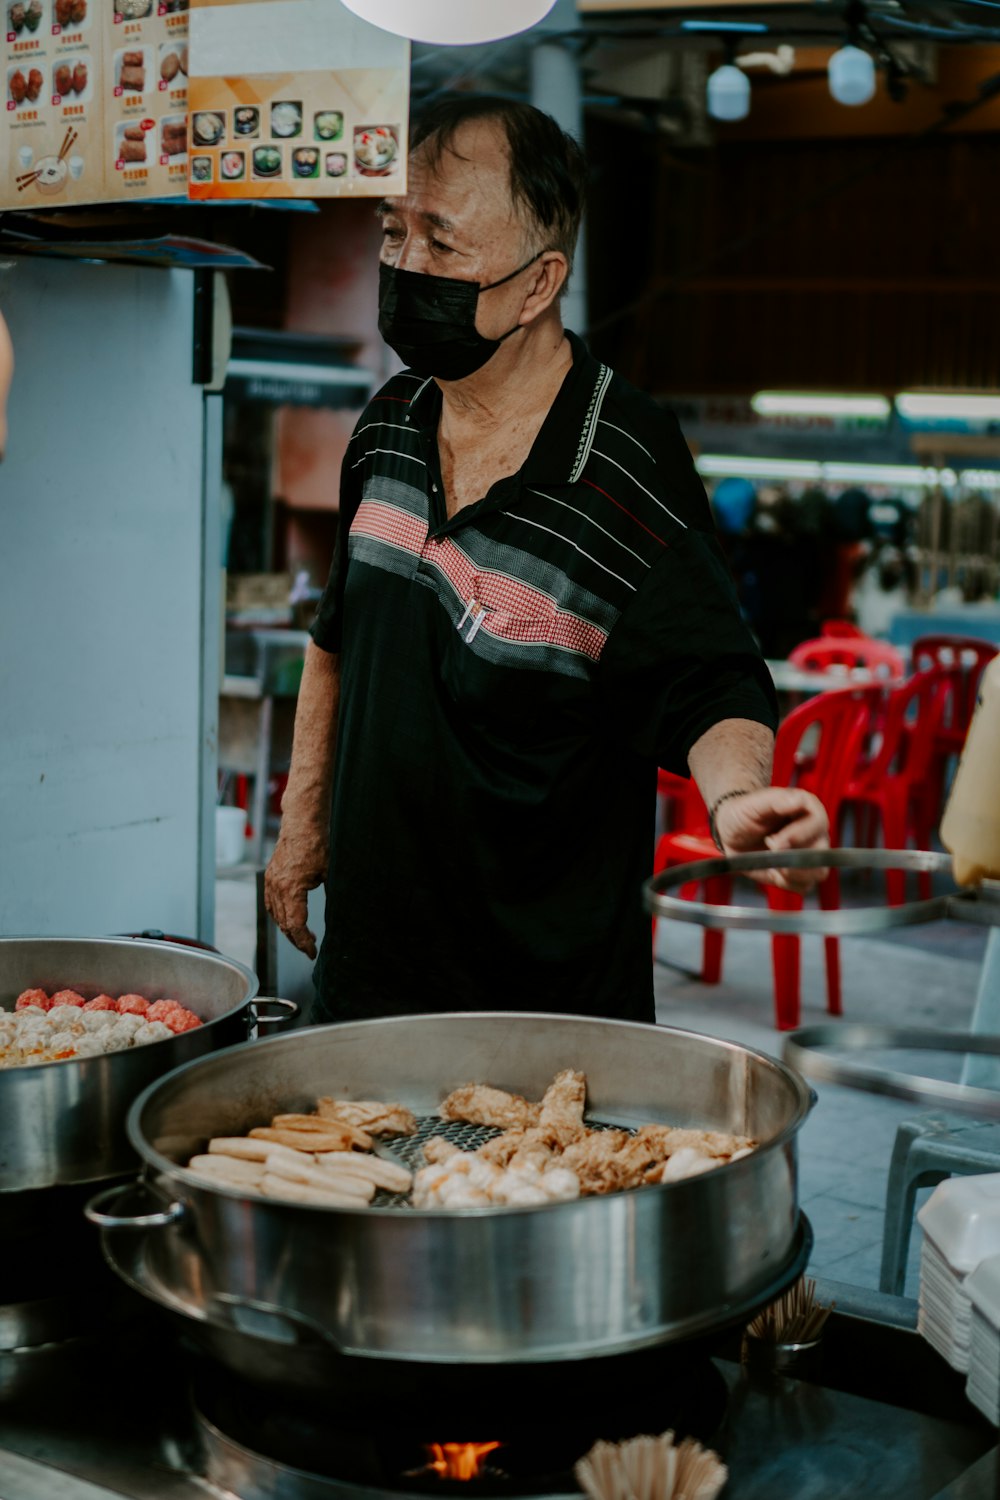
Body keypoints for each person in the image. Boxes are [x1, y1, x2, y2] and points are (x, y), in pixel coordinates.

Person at [265, 96, 828, 1026]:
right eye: (393, 231)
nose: (405, 267)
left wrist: (740, 801)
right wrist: (301, 826)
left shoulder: (624, 459)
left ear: (538, 286)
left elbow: (710, 681)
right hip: (367, 981)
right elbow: (338, 639)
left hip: (541, 1013)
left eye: (443, 246)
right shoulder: (388, 423)